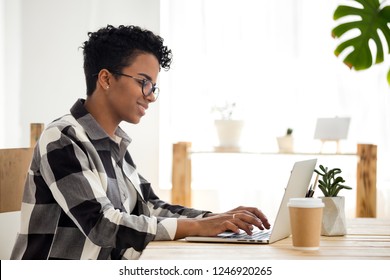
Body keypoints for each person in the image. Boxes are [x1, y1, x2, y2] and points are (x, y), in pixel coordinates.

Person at [11, 24, 270, 260]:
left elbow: (150, 207)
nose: (151, 97)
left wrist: (217, 219)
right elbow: (103, 225)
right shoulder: (62, 138)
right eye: (144, 82)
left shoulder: (114, 145)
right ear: (106, 79)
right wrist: (200, 226)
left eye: (153, 86)